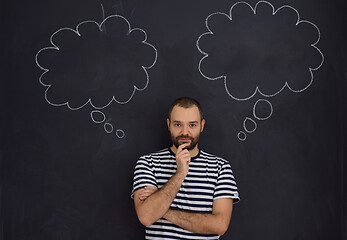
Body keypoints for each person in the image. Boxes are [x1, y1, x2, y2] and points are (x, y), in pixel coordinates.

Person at [131, 97, 240, 239]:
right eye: (178, 125)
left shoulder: (220, 168)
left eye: (192, 125)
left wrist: (163, 210)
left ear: (202, 126)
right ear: (168, 124)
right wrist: (180, 174)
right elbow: (146, 216)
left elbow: (220, 226)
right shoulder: (147, 163)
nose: (185, 132)